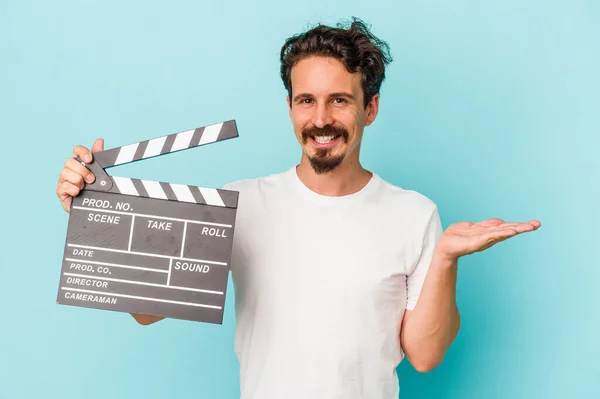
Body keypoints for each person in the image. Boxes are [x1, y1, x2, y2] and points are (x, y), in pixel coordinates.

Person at [55, 18, 541, 399]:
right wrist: (97, 214)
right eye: (306, 100)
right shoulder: (243, 203)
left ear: (370, 108)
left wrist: (446, 258)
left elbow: (427, 353)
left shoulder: (414, 214)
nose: (321, 119)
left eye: (340, 101)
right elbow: (146, 311)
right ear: (290, 107)